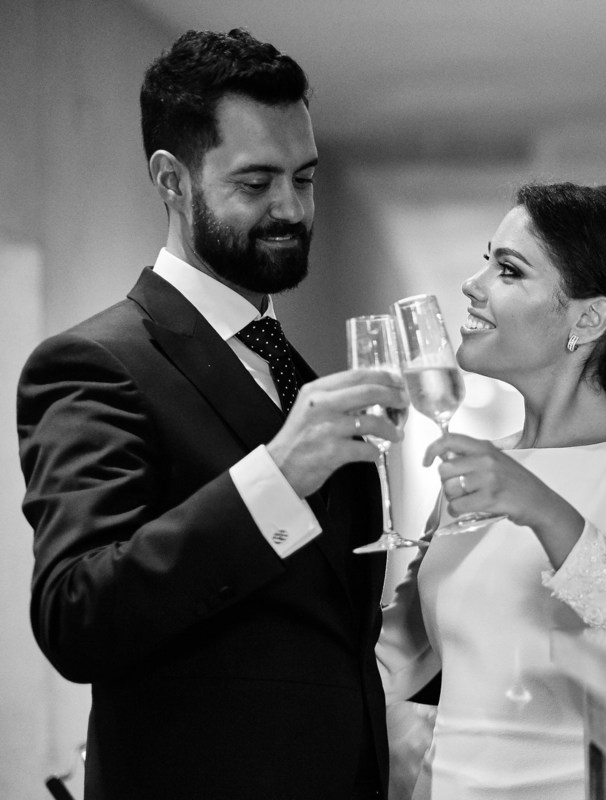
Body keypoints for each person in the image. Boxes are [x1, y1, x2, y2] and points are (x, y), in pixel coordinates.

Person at [17, 28, 413, 799]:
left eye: (305, 177)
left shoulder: (301, 375)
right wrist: (273, 477)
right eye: (256, 182)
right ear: (172, 179)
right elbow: (76, 614)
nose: (292, 209)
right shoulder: (95, 364)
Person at [377, 181, 606, 799]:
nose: (473, 283)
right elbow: (398, 652)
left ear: (588, 318)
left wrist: (541, 508)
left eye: (508, 270)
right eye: (488, 260)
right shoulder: (485, 466)